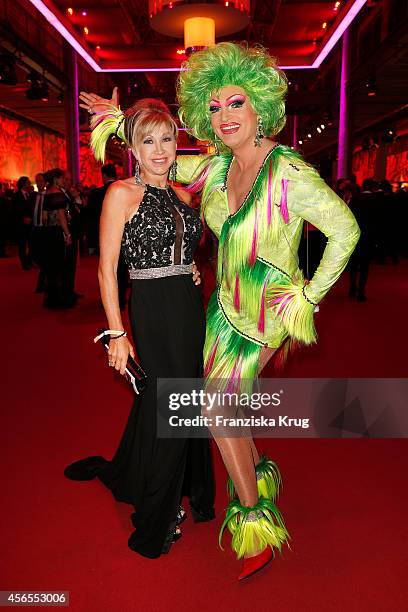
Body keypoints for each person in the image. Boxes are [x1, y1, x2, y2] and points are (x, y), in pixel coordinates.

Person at [80, 42, 360, 579]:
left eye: (236, 103)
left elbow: (346, 230)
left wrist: (308, 295)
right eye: (213, 108)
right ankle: (257, 471)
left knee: (215, 407)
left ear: (260, 106)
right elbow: (159, 159)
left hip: (268, 312)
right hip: (221, 306)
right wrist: (123, 123)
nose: (225, 116)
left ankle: (255, 520)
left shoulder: (289, 172)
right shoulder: (218, 166)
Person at [65, 98, 215, 558]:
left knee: (179, 394)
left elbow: (195, 242)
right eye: (148, 140)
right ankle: (157, 513)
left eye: (167, 139)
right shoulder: (119, 194)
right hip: (151, 308)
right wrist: (116, 332)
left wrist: (190, 267)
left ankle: (156, 476)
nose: (160, 150)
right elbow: (107, 269)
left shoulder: (186, 195)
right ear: (131, 146)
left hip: (190, 306)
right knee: (170, 397)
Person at [87, 164, 128, 308]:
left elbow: (91, 218)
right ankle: (121, 299)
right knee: (121, 269)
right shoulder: (124, 191)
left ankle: (111, 301)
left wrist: (92, 241)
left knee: (107, 269)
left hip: (103, 237)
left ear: (103, 175)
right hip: (123, 236)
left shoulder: (96, 194)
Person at [42, 169, 73, 309]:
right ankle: (61, 299)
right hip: (57, 233)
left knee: (51, 266)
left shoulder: (47, 193)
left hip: (48, 233)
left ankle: (52, 297)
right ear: (56, 179)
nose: (63, 181)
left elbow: (44, 217)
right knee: (60, 265)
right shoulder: (57, 194)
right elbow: (61, 216)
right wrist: (67, 234)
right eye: (61, 178)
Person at [12, 176, 33, 270]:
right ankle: (24, 264)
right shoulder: (16, 195)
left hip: (31, 224)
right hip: (20, 225)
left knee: (32, 244)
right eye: (28, 183)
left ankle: (29, 261)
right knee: (22, 245)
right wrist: (23, 219)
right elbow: (14, 211)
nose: (30, 184)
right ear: (23, 184)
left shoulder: (30, 195)